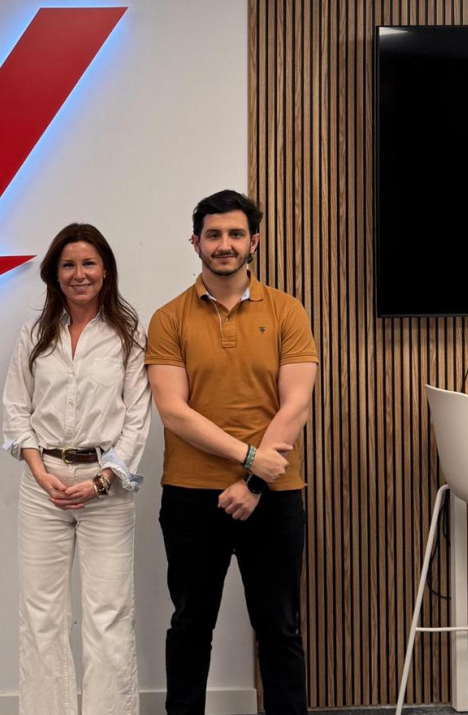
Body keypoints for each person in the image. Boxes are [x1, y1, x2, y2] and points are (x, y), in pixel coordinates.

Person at [145, 190, 318, 715]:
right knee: (190, 626)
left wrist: (256, 481)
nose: (225, 245)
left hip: (275, 495)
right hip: (191, 496)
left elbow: (296, 405)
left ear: (254, 242)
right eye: (214, 235)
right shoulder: (169, 318)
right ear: (195, 242)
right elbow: (174, 412)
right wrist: (250, 460)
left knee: (280, 629)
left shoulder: (287, 311)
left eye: (236, 234)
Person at [2, 223, 151, 714]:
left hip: (107, 486)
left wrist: (101, 481)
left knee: (108, 615)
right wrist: (39, 472)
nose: (79, 273)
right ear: (54, 273)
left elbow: (137, 421)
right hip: (42, 485)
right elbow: (16, 411)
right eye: (68, 265)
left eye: (88, 263)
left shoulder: (129, 336)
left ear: (105, 270)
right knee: (41, 615)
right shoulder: (34, 335)